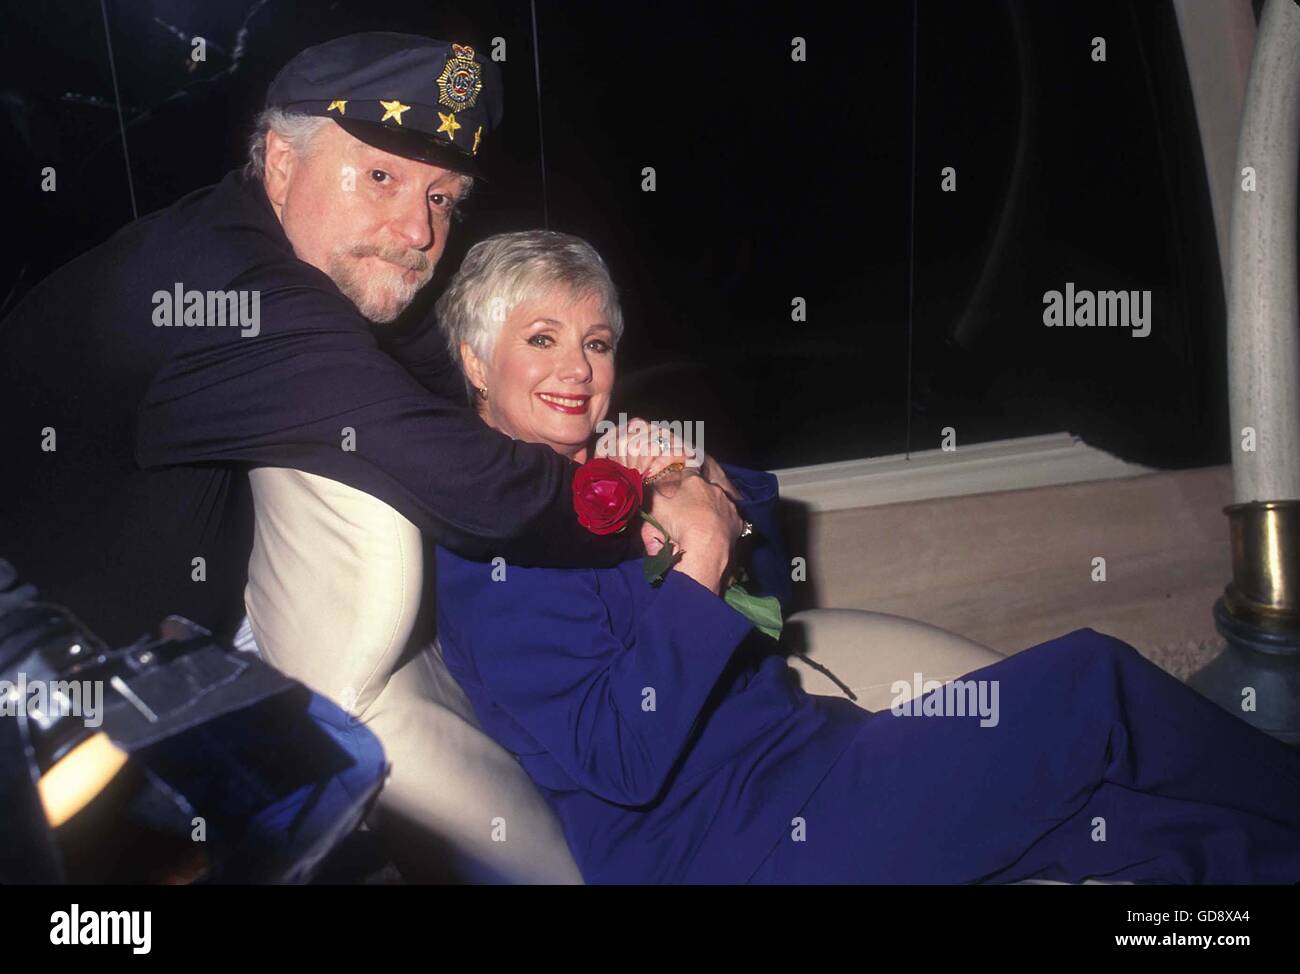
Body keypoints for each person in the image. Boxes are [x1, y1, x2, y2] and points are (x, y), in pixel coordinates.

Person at [433, 229, 1300, 884]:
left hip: (806, 766)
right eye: (541, 338)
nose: (577, 369)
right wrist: (697, 550)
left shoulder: (591, 482)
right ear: (477, 361)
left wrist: (712, 492)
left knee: (1154, 832)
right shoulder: (493, 550)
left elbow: (766, 618)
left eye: (596, 342)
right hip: (729, 849)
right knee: (1092, 688)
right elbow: (624, 757)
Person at [0, 33, 686, 649]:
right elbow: (473, 483)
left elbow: (448, 372)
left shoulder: (272, 246)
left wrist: (610, 444)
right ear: (279, 161)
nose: (419, 231)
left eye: (441, 198)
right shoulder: (235, 294)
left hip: (164, 640)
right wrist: (651, 511)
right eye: (381, 178)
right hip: (53, 691)